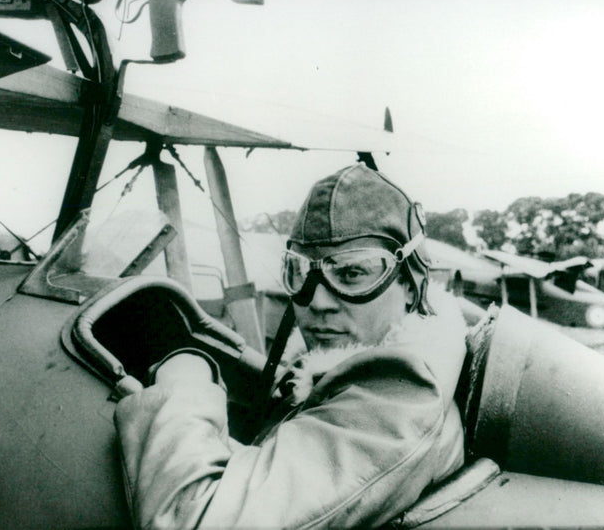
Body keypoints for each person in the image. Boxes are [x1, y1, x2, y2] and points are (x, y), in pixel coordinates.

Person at [114, 162, 468, 528]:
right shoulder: (355, 382)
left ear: (410, 285)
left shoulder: (399, 399)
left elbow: (193, 520)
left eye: (351, 273)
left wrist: (184, 378)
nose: (318, 302)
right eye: (299, 272)